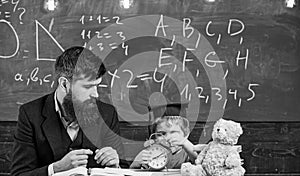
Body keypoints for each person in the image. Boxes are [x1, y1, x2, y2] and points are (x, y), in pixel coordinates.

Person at [10, 46, 126, 176]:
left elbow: (122, 168)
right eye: (88, 86)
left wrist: (116, 166)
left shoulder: (107, 113)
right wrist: (56, 168)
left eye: (97, 85)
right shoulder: (30, 114)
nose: (96, 94)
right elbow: (19, 174)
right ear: (64, 84)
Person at [130, 115, 202, 169]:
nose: (167, 138)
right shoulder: (152, 153)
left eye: (174, 133)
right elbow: (134, 171)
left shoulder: (187, 153)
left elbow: (199, 163)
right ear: (155, 137)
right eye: (162, 133)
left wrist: (186, 144)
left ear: (186, 134)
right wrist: (135, 164)